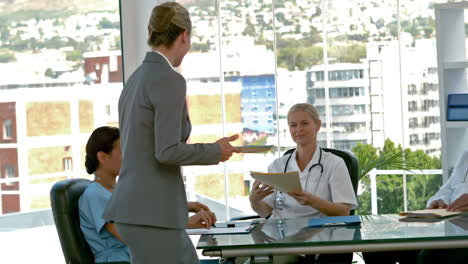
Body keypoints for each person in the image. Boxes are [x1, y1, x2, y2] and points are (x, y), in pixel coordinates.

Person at [102, 2, 239, 264]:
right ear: (184, 35)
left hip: (138, 210)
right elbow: (165, 151)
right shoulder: (168, 78)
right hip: (150, 216)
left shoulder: (136, 78)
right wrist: (215, 151)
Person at [79, 126, 218, 264]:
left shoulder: (118, 191)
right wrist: (184, 223)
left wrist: (184, 207)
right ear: (102, 157)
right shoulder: (95, 195)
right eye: (123, 151)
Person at [249, 103, 358, 264]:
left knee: (269, 261)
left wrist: (311, 200)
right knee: (238, 259)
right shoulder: (278, 165)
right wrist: (254, 200)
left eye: (304, 123)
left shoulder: (334, 164)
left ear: (317, 125)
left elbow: (344, 212)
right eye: (293, 125)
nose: (298, 129)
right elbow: (266, 212)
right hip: (279, 236)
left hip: (316, 238)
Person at [363, 150, 468, 264]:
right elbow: (448, 189)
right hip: (449, 226)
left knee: (431, 256)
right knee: (375, 247)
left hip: (461, 238)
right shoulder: (466, 155)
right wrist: (440, 201)